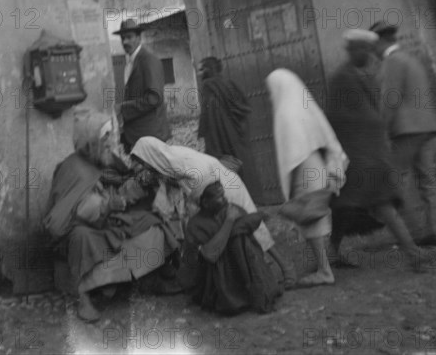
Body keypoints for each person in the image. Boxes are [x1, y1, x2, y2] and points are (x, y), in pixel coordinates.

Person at [43, 108, 180, 322]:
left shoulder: (103, 158)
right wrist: (107, 204)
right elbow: (69, 213)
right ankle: (83, 297)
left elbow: (120, 185)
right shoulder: (72, 168)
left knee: (151, 221)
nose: (110, 141)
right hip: (82, 226)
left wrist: (138, 184)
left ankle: (149, 277)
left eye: (110, 135)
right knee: (80, 238)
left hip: (108, 219)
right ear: (90, 140)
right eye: (104, 136)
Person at [130, 136, 297, 289]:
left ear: (150, 156)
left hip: (224, 189)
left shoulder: (178, 161)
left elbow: (199, 181)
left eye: (143, 162)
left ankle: (286, 269)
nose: (143, 167)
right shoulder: (166, 163)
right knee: (229, 232)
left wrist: (193, 205)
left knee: (252, 226)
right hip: (212, 192)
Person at [327, 29, 427, 267]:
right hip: (357, 157)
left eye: (369, 50)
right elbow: (340, 118)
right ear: (352, 51)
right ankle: (413, 254)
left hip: (368, 155)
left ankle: (330, 253)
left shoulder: (360, 75)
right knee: (367, 206)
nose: (368, 55)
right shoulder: (343, 78)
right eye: (362, 50)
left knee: (355, 207)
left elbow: (373, 113)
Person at [266, 68, 348, 287]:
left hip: (304, 170)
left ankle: (324, 271)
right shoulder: (303, 104)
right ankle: (326, 262)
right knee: (317, 217)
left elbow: (291, 153)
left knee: (310, 219)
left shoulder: (285, 112)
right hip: (317, 166)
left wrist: (289, 186)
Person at [370, 21, 436, 246]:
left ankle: (417, 235)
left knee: (397, 181)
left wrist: (381, 130)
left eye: (374, 46)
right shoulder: (412, 59)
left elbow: (390, 100)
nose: (373, 52)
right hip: (427, 127)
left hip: (406, 130)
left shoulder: (392, 62)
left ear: (382, 42)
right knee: (428, 182)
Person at [186, 181, 283, 314]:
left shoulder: (230, 209)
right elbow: (210, 255)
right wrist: (229, 221)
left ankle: (254, 290)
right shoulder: (194, 225)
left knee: (241, 239)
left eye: (223, 195)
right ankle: (236, 297)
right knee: (236, 235)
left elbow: (247, 231)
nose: (225, 199)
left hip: (238, 261)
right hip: (213, 275)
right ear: (205, 203)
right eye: (219, 197)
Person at [197, 56, 263, 200]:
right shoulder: (229, 84)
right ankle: (252, 202)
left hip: (218, 141)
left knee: (224, 172)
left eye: (202, 69)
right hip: (236, 138)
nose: (199, 73)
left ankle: (235, 204)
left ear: (209, 70)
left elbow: (207, 117)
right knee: (242, 167)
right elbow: (243, 108)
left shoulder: (208, 87)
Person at [113, 19, 171, 153]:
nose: (125, 42)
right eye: (122, 38)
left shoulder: (148, 60)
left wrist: (123, 108)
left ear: (139, 38)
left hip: (150, 135)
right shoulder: (131, 62)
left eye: (129, 37)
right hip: (137, 134)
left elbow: (154, 98)